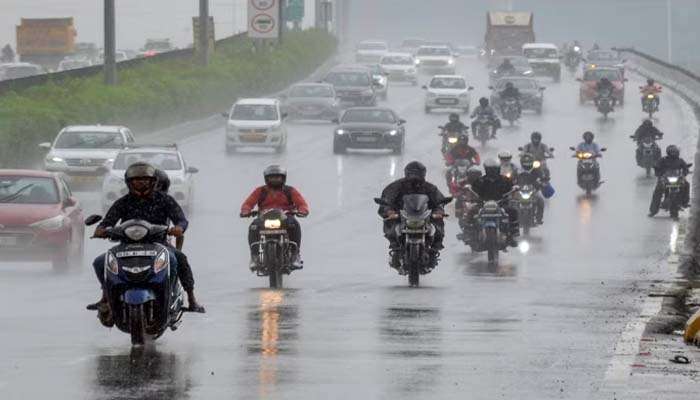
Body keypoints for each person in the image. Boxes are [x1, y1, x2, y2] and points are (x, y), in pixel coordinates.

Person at [87, 163, 204, 325]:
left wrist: (178, 228)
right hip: (126, 246)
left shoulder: (165, 200)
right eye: (136, 180)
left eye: (145, 180)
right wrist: (101, 229)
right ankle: (106, 297)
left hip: (159, 244)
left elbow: (181, 219)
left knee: (178, 258)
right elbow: (107, 222)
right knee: (100, 262)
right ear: (129, 183)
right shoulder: (123, 202)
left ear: (153, 182)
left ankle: (190, 298)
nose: (141, 184)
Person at [378, 161, 447, 269]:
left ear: (423, 174)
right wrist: (389, 210)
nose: (415, 176)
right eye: (412, 173)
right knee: (390, 221)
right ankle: (395, 248)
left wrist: (439, 210)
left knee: (438, 222)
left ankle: (434, 250)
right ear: (407, 173)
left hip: (424, 216)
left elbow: (439, 201)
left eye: (417, 173)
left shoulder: (430, 188)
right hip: (402, 216)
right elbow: (387, 199)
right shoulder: (396, 186)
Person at [240, 165, 309, 270]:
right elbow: (248, 203)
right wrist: (246, 211)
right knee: (253, 227)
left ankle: (295, 255)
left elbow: (302, 203)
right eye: (272, 177)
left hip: (285, 217)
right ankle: (254, 257)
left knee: (294, 224)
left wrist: (302, 211)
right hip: (264, 217)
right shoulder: (260, 191)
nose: (275, 180)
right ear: (266, 178)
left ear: (283, 178)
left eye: (278, 177)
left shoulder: (289, 191)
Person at [468, 159, 519, 246]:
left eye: (494, 169)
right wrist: (473, 198)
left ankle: (512, 235)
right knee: (471, 212)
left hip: (501, 204)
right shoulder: (480, 181)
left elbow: (512, 189)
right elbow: (473, 191)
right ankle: (470, 234)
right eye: (490, 169)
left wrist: (512, 194)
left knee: (513, 211)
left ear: (498, 169)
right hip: (483, 204)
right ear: (486, 169)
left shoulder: (505, 180)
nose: (492, 171)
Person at [649, 145, 691, 217]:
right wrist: (658, 171)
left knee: (686, 184)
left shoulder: (680, 160)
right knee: (658, 191)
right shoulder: (663, 160)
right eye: (672, 152)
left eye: (675, 152)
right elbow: (657, 167)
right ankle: (653, 210)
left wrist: (685, 172)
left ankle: (684, 202)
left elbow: (685, 168)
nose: (673, 153)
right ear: (668, 152)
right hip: (664, 179)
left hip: (677, 178)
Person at [515, 153, 546, 225]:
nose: (527, 165)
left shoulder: (537, 170)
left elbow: (542, 177)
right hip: (519, 190)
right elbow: (511, 178)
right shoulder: (517, 170)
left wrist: (542, 182)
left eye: (528, 163)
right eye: (525, 163)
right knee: (510, 202)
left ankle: (539, 219)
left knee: (541, 201)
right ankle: (512, 220)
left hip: (533, 190)